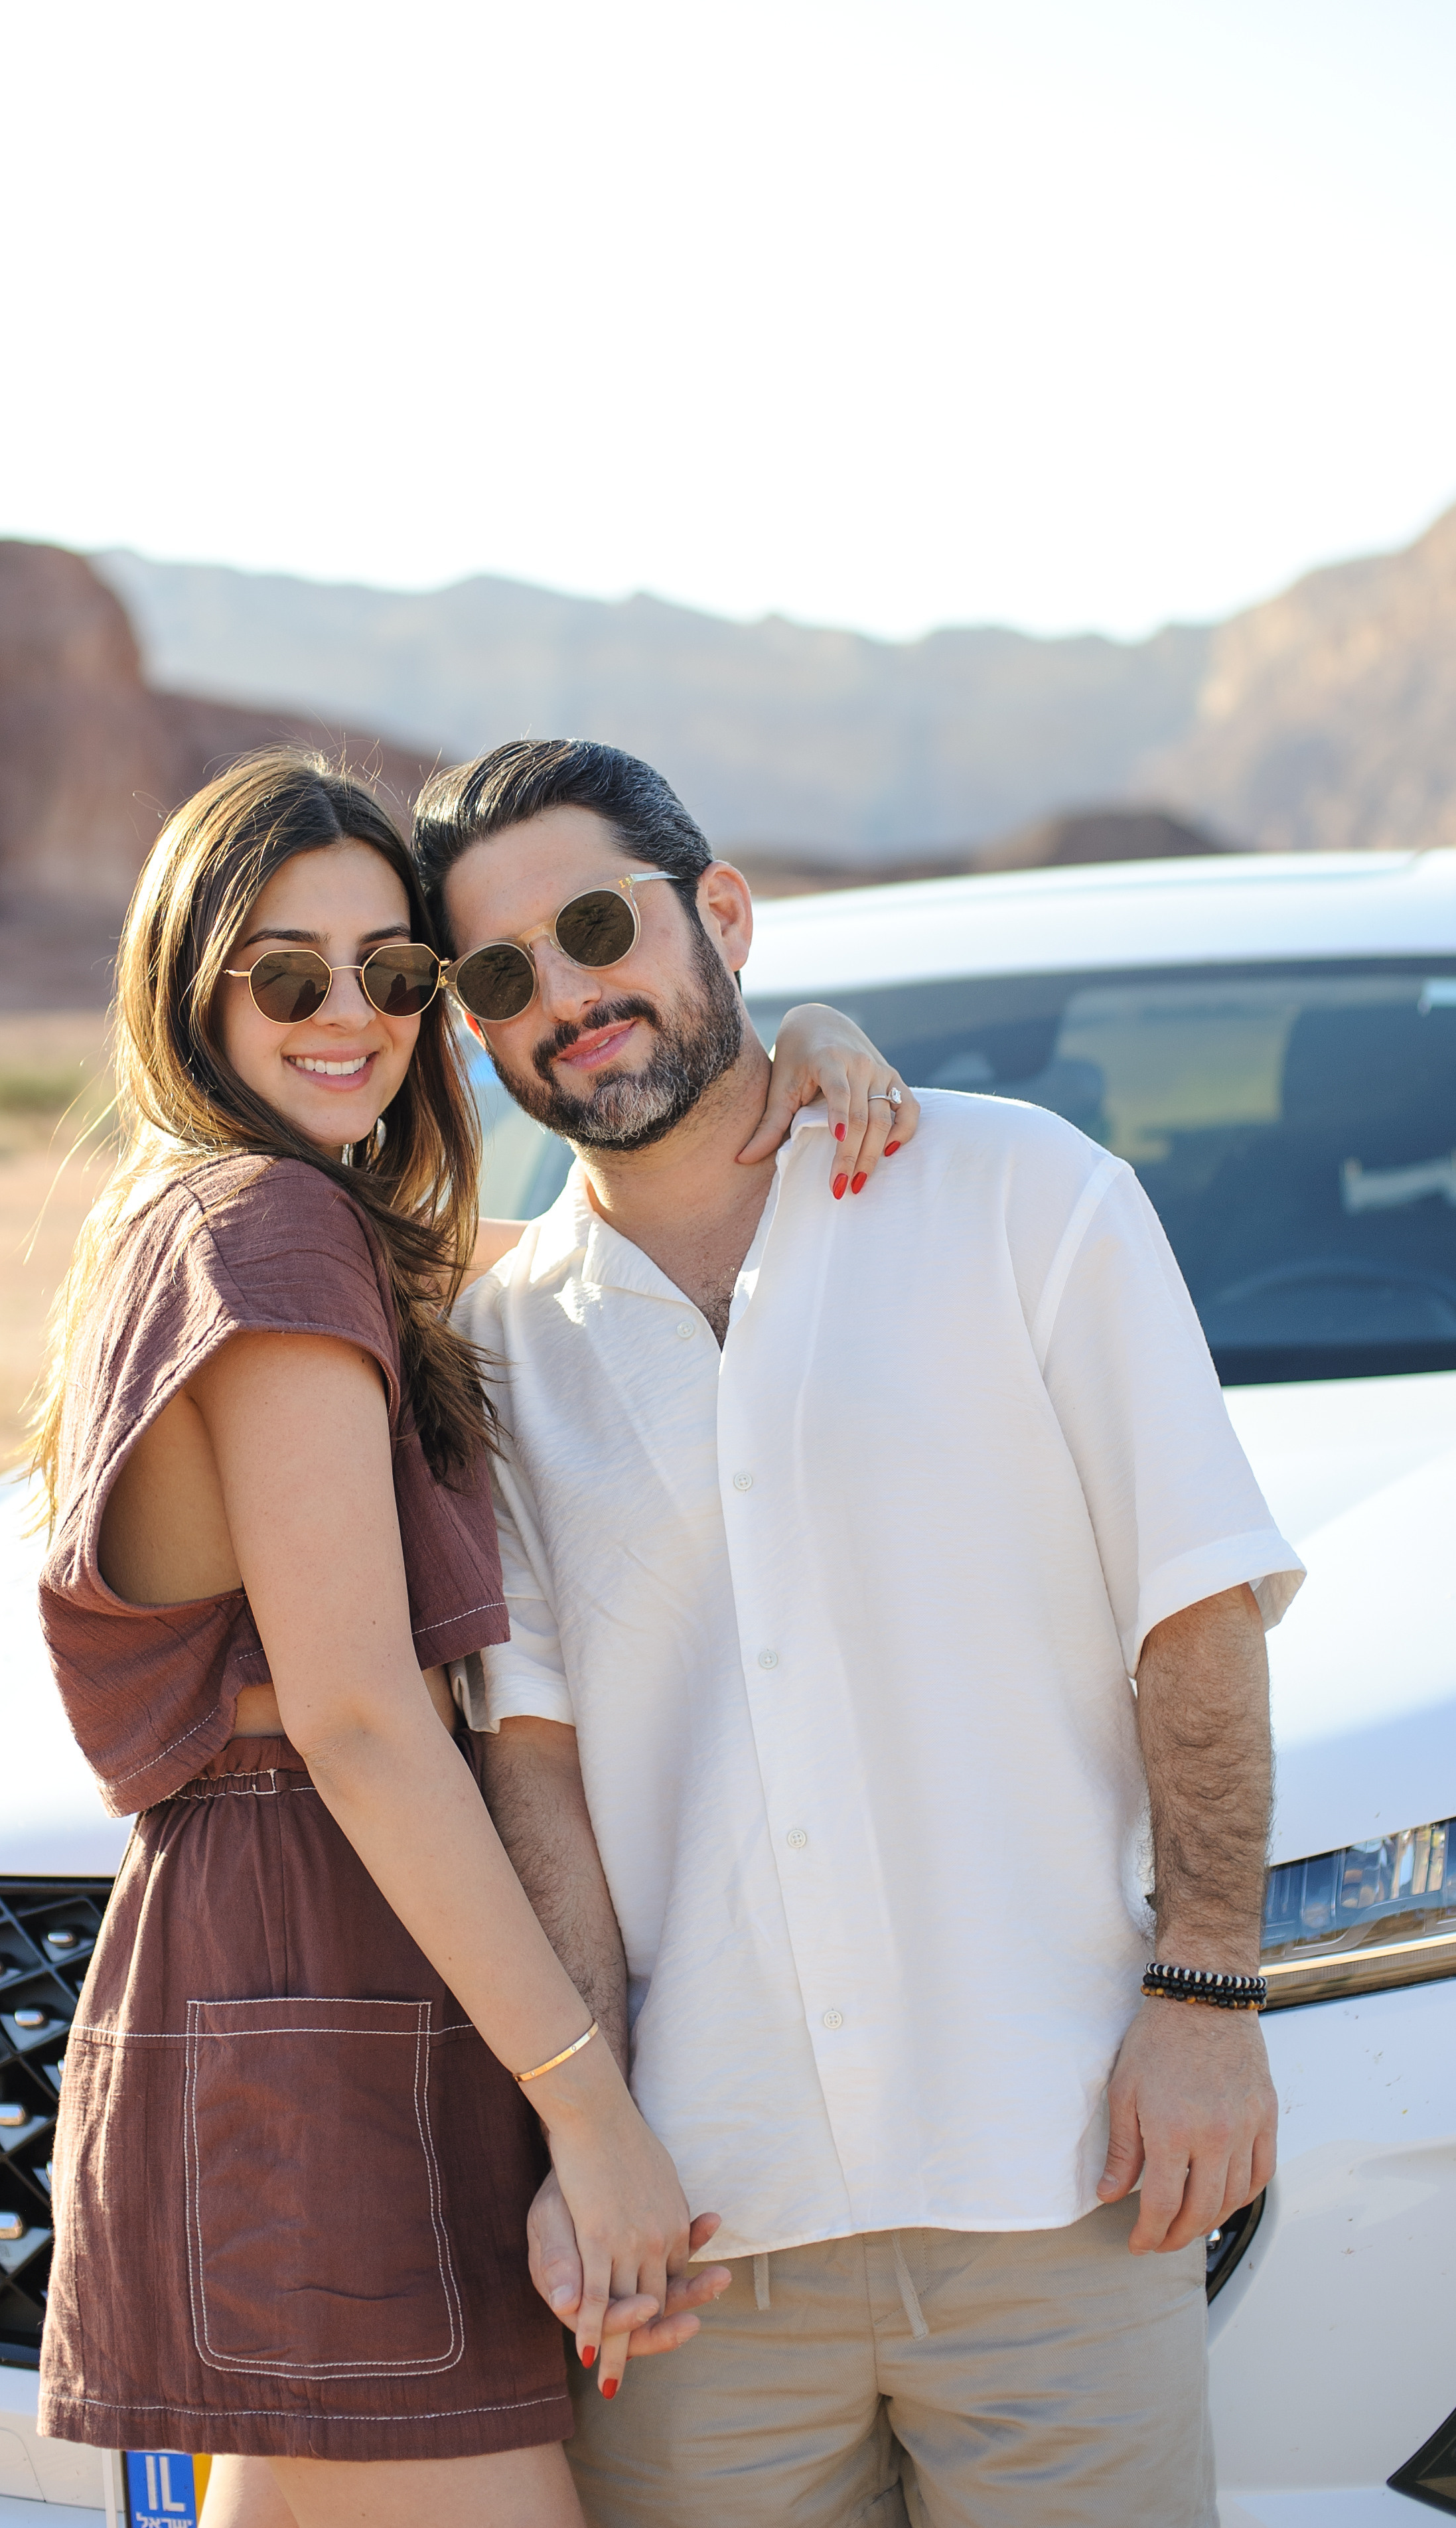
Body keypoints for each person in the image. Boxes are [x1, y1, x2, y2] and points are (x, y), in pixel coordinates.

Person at [411, 738, 1307, 2528]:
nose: (568, 997)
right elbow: (542, 1776)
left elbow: (1194, 1609)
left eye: (599, 927)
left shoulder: (1019, 1196)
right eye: (502, 976)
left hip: (1055, 2170)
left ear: (719, 913)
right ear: (476, 1037)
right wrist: (587, 2142)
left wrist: (1207, 1985)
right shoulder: (500, 1345)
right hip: (702, 2231)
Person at [30, 748, 906, 2528]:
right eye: (286, 972)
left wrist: (783, 1050)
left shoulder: (258, 1225)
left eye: (396, 972)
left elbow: (567, 1248)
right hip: (317, 1953)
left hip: (288, 1953)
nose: (346, 1012)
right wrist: (588, 2112)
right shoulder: (268, 1230)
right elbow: (358, 1714)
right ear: (188, 987)